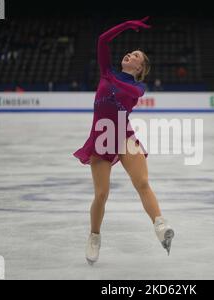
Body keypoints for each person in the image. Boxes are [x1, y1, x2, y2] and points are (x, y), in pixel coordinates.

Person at [73, 17, 175, 265]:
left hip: (123, 136)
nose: (130, 54)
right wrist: (127, 25)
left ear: (140, 68)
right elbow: (102, 40)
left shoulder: (138, 88)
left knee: (142, 182)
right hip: (101, 137)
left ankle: (160, 226)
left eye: (136, 55)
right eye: (130, 52)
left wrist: (109, 77)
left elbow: (128, 92)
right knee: (101, 194)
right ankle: (94, 236)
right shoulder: (107, 71)